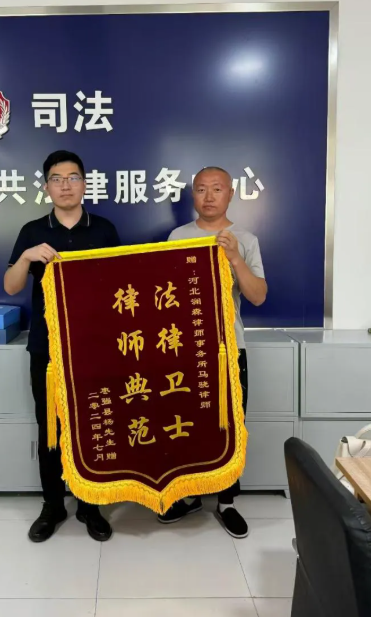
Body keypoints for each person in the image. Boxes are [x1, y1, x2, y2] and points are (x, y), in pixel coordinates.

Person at [4, 150, 120, 543]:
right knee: (50, 427)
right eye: (57, 179)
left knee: (94, 424)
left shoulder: (103, 229)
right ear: (46, 187)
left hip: (95, 348)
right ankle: (53, 505)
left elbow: (121, 287)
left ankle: (91, 505)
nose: (65, 185)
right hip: (47, 348)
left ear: (84, 183)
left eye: (73, 178)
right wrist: (26, 257)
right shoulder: (33, 231)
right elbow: (11, 286)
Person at [159, 166, 267, 539]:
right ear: (193, 194)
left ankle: (227, 501)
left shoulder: (245, 239)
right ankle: (190, 495)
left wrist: (235, 257)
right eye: (201, 189)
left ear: (230, 194)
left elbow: (258, 296)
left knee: (231, 426)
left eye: (216, 189)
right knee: (188, 425)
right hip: (185, 351)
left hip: (229, 348)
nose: (208, 196)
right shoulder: (177, 237)